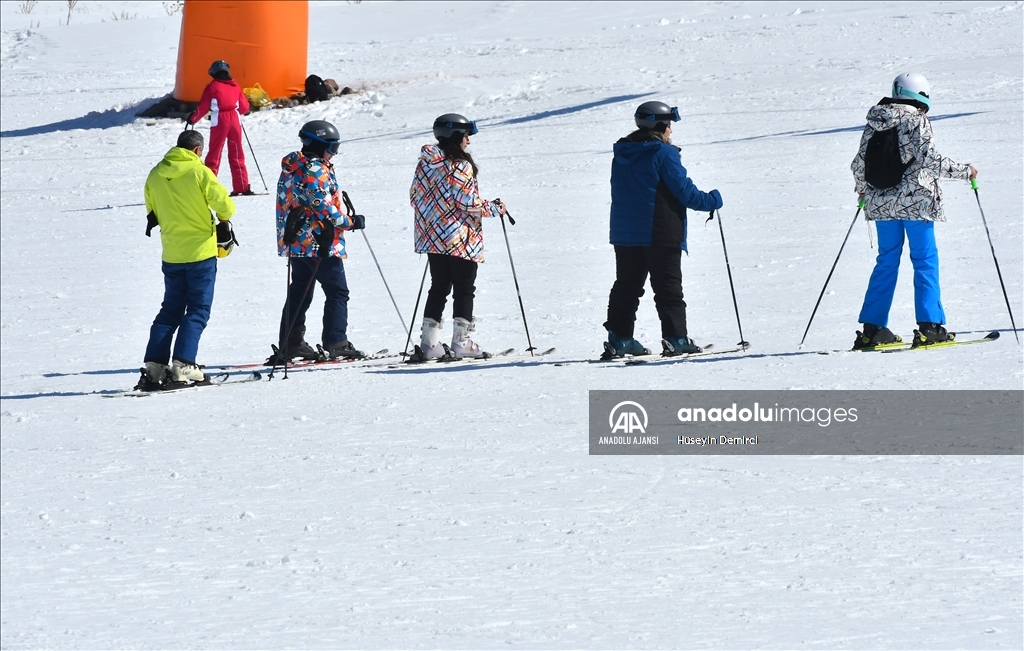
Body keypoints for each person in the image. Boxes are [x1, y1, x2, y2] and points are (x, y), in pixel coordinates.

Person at [851, 72, 977, 349]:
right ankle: (930, 327)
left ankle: (873, 330)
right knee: (924, 261)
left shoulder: (875, 122)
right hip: (916, 203)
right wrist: (965, 171)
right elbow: (930, 160)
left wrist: (863, 191)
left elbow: (858, 164)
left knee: (886, 262)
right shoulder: (916, 119)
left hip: (881, 204)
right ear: (922, 95)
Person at [604, 101, 723, 358]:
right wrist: (712, 200)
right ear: (659, 125)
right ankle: (675, 338)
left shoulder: (623, 152)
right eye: (669, 124)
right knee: (668, 287)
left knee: (626, 287)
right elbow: (685, 193)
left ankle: (620, 339)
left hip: (625, 232)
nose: (671, 130)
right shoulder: (663, 153)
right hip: (659, 231)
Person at [138, 129, 236, 390]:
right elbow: (225, 205)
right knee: (197, 309)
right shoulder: (199, 171)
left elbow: (152, 210)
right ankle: (183, 365)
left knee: (169, 310)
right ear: (197, 150)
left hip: (171, 252)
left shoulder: (156, 173)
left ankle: (154, 367)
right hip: (200, 253)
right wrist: (223, 219)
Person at [268, 120, 365, 365]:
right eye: (332, 148)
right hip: (319, 240)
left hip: (297, 241)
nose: (333, 154)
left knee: (300, 292)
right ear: (320, 145)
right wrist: (349, 222)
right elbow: (323, 207)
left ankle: (291, 343)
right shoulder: (315, 169)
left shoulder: (292, 169)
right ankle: (336, 341)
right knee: (337, 291)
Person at [408, 113, 501, 362]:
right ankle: (462, 342)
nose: (468, 141)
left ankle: (429, 344)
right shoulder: (460, 164)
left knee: (438, 287)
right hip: (460, 237)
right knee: (464, 288)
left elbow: (414, 198)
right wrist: (494, 207)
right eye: (466, 135)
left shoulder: (425, 164)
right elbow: (467, 202)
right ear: (455, 136)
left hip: (432, 237)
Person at [187, 60, 253, 197]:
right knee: (237, 154)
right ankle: (242, 186)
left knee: (214, 155)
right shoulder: (235, 86)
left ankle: (208, 188)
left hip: (220, 121)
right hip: (235, 120)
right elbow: (245, 107)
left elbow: (203, 107)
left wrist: (193, 119)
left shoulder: (212, 87)